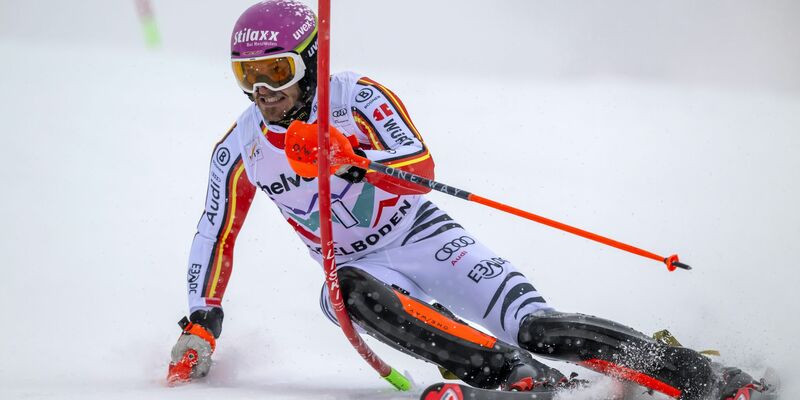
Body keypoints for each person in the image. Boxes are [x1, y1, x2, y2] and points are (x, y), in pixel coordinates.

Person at [168, 1, 762, 399]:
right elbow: (215, 230)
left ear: (312, 60)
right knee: (343, 294)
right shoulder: (242, 147)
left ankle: (707, 378)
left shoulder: (358, 99)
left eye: (275, 70)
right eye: (247, 76)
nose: (263, 92)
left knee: (539, 327)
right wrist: (202, 322)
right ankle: (517, 380)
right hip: (359, 268)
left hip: (426, 238)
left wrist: (349, 155)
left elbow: (420, 168)